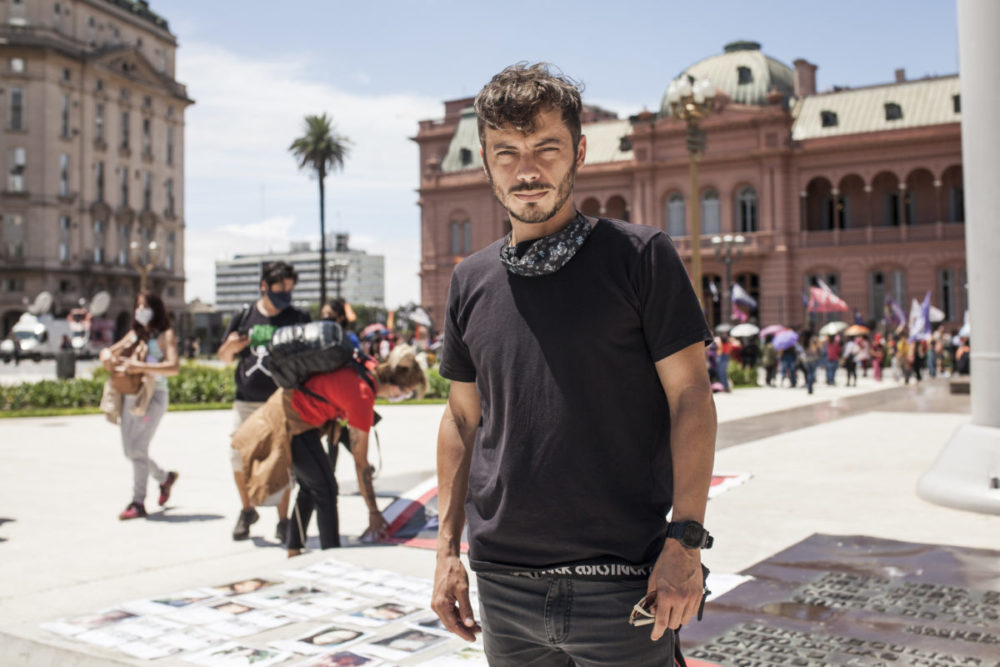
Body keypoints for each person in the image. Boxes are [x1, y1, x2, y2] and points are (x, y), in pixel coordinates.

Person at [430, 63, 717, 665]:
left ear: (578, 151)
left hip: (624, 585)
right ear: (484, 160)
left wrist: (686, 541)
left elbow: (691, 397)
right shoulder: (470, 280)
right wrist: (446, 553)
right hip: (502, 587)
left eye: (546, 148)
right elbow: (460, 420)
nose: (526, 170)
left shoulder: (640, 258)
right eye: (505, 152)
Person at [231, 343, 427, 557]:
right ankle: (331, 556)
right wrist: (373, 512)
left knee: (311, 485)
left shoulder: (369, 367)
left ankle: (294, 548)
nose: (402, 397)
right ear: (395, 387)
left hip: (292, 410)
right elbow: (361, 463)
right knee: (326, 489)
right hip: (291, 418)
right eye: (406, 393)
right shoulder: (362, 397)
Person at [217, 261, 309, 542]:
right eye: (280, 288)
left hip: (283, 400)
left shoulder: (298, 317)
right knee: (238, 454)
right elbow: (224, 356)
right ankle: (247, 510)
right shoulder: (244, 315)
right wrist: (231, 347)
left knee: (283, 459)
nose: (286, 294)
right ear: (264, 286)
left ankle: (283, 520)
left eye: (290, 289)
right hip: (246, 400)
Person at [99, 291, 179, 520]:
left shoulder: (165, 334)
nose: (140, 311)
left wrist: (141, 368)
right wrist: (106, 355)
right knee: (130, 450)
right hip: (130, 395)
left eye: (144, 306)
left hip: (153, 396)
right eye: (137, 306)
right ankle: (164, 478)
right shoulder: (135, 334)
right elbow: (109, 351)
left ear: (155, 309)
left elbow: (173, 367)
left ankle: (138, 501)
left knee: (137, 448)